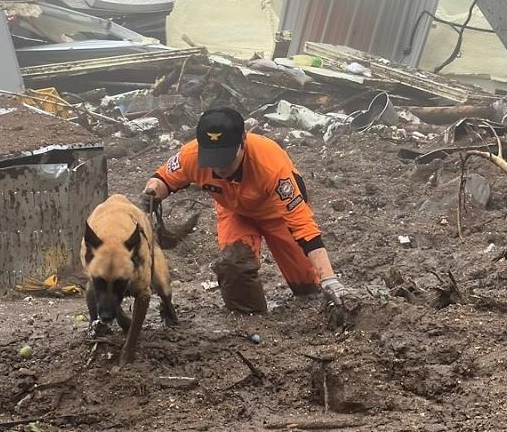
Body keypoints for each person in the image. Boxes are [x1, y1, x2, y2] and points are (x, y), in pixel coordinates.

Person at [141, 107, 350, 315]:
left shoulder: (271, 166)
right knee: (233, 266)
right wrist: (151, 193)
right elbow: (163, 179)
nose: (219, 169)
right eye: (212, 160)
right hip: (235, 213)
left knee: (309, 286)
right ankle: (250, 318)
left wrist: (329, 279)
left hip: (277, 216)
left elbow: (304, 227)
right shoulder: (190, 155)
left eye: (226, 159)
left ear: (243, 141)